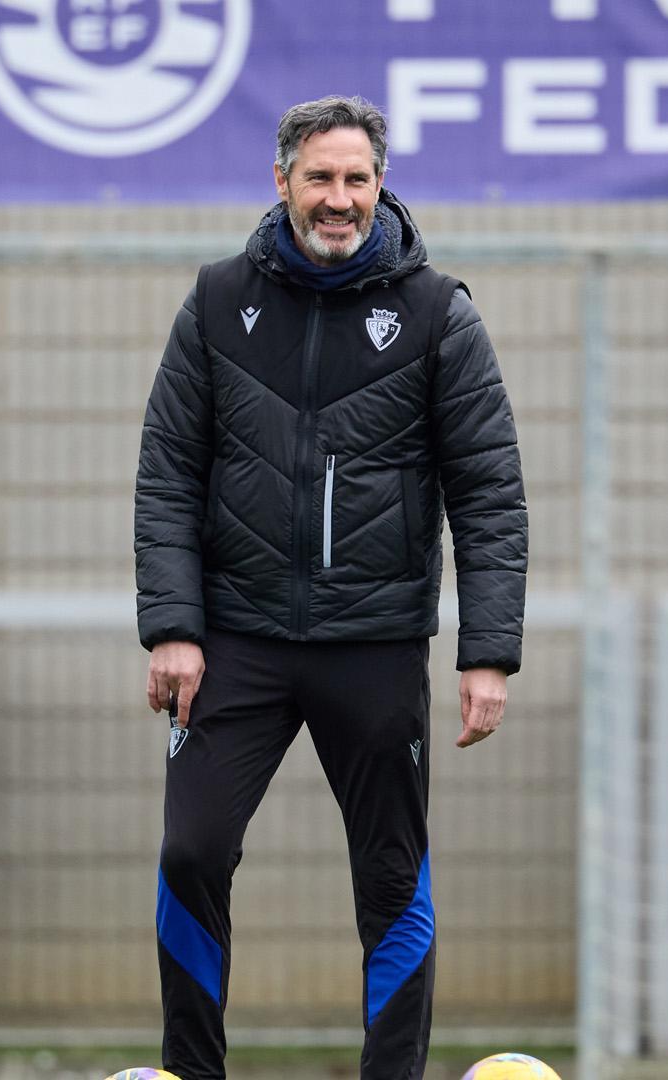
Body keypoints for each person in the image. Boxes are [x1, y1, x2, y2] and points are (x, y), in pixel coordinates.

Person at [134, 96, 529, 1080]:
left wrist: (487, 651)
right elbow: (168, 470)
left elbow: (489, 493)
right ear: (283, 183)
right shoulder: (220, 301)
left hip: (378, 644)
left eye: (357, 179)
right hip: (238, 642)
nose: (339, 199)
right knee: (191, 853)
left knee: (393, 885)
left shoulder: (440, 313)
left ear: (380, 185)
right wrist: (174, 627)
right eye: (320, 178)